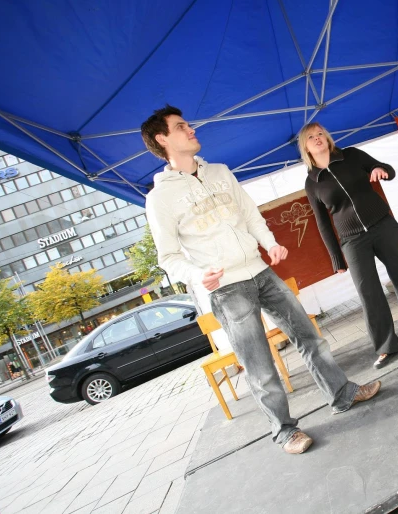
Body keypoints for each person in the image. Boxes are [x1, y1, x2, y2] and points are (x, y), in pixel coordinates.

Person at [142, 105, 380, 455]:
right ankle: (285, 431)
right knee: (259, 365)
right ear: (162, 139)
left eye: (189, 124)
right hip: (226, 288)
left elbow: (250, 214)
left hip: (261, 271)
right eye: (181, 127)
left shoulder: (220, 172)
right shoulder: (159, 197)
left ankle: (342, 394)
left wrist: (270, 244)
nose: (191, 129)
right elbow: (168, 257)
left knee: (309, 337)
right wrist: (195, 275)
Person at [301, 122, 398, 370]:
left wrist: (378, 168)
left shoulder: (351, 155)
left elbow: (389, 170)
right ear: (306, 147)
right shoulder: (312, 182)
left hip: (383, 225)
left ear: (328, 137)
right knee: (369, 293)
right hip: (352, 241)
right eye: (311, 137)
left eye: (321, 133)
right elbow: (322, 223)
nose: (318, 138)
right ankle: (386, 346)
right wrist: (336, 258)